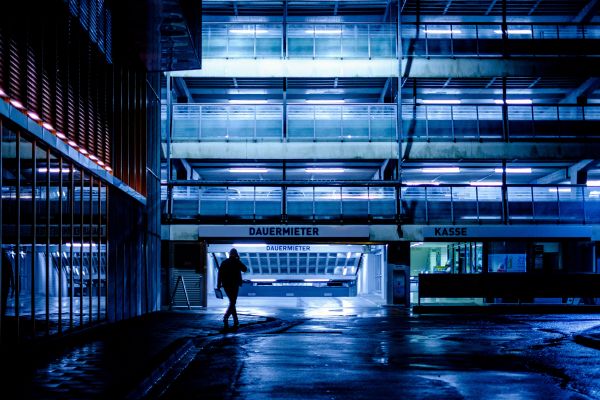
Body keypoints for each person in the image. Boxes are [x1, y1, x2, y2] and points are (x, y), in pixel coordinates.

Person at [217, 248, 247, 329]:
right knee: (233, 302)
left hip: (226, 285)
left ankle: (236, 320)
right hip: (234, 285)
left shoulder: (224, 262)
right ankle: (226, 317)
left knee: (232, 302)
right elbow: (245, 269)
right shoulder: (237, 262)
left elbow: (219, 274)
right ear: (236, 254)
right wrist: (239, 260)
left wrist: (218, 285)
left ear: (229, 254)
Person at [1, 249, 15, 316]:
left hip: (4, 284)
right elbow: (11, 274)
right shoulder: (8, 261)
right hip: (5, 284)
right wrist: (13, 286)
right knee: (4, 300)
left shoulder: (4, 261)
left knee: (3, 299)